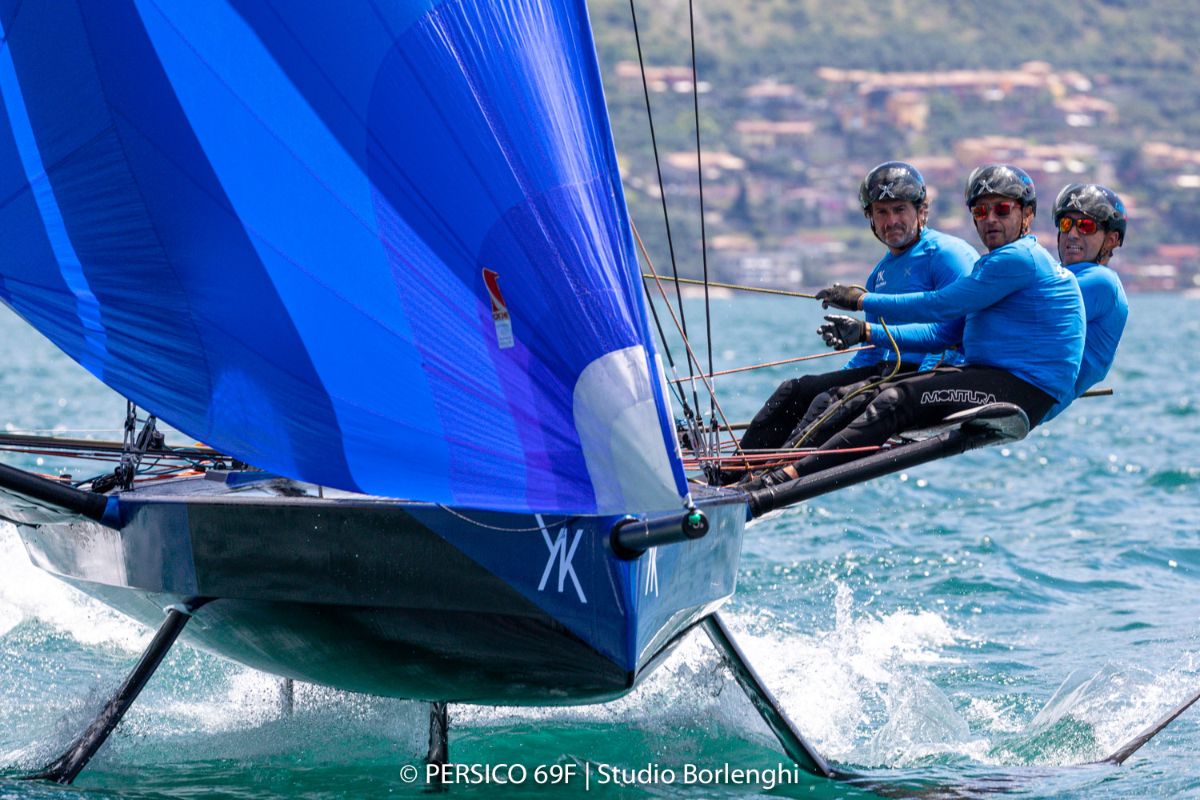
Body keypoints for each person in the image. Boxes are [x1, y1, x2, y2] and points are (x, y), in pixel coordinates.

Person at [745, 164, 1085, 488]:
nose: (990, 219)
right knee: (809, 393)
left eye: (1002, 209)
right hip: (992, 375)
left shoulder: (1015, 257)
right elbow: (941, 332)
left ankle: (778, 479)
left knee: (892, 400)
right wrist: (864, 332)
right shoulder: (992, 262)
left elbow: (941, 308)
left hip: (1023, 389)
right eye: (981, 211)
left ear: (1028, 214)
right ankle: (746, 473)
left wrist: (862, 304)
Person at [720, 161, 977, 483]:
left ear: (921, 210)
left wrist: (916, 382)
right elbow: (871, 354)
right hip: (889, 369)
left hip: (932, 375)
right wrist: (833, 379)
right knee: (796, 391)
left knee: (831, 402)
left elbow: (952, 331)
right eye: (881, 212)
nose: (891, 221)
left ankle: (765, 481)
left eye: (900, 209)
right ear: (870, 218)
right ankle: (729, 475)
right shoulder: (880, 273)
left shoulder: (948, 254)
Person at [1041, 183, 1129, 421]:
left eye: (1086, 226)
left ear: (1111, 240)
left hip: (1022, 394)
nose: (1072, 234)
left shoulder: (1102, 281)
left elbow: (1029, 311)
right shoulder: (1059, 275)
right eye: (1066, 224)